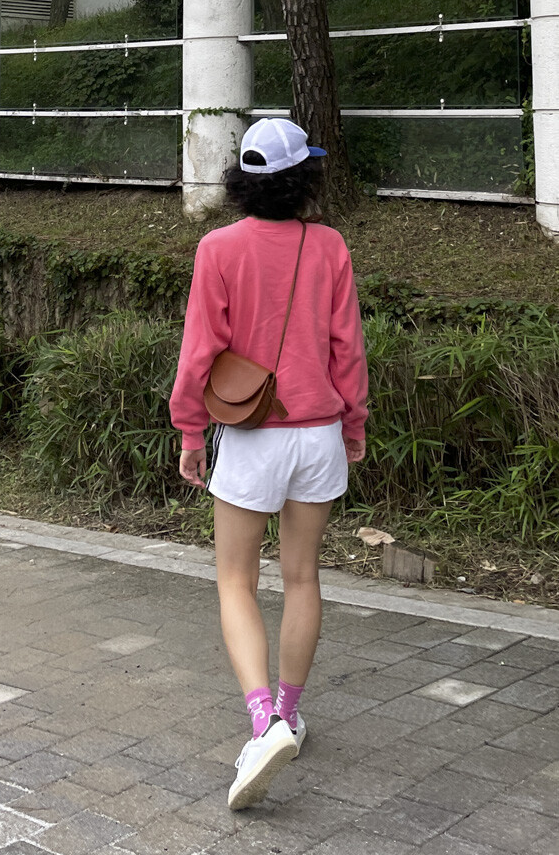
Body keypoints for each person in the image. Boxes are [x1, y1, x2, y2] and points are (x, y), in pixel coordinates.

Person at [169, 118, 368, 811]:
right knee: (303, 576)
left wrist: (190, 430)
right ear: (305, 177)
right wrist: (354, 424)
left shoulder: (219, 248)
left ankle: (263, 725)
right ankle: (290, 712)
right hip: (318, 432)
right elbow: (348, 349)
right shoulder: (330, 245)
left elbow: (199, 351)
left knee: (235, 579)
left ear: (242, 181)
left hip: (253, 435)